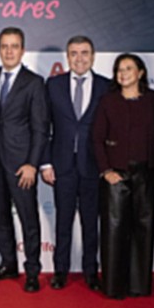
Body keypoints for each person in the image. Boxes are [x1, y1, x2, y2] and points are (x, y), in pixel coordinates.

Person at [0, 27, 48, 293]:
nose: (9, 51)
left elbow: (41, 128)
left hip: (22, 164)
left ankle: (32, 270)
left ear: (22, 50)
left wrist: (32, 163)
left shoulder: (34, 82)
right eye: (4, 46)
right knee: (0, 216)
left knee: (28, 219)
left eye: (14, 46)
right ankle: (8, 264)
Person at [41, 36, 109, 291]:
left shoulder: (106, 86)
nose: (79, 58)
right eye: (74, 53)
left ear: (93, 56)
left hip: (92, 166)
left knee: (91, 223)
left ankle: (91, 271)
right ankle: (61, 271)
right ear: (67, 57)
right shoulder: (54, 85)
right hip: (62, 165)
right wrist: (45, 162)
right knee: (63, 221)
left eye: (84, 53)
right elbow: (44, 126)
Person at [92, 53, 154, 300]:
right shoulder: (108, 101)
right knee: (114, 230)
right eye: (119, 69)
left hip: (147, 173)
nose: (123, 74)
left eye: (128, 68)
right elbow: (97, 138)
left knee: (144, 227)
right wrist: (106, 170)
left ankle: (139, 285)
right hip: (116, 174)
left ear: (140, 73)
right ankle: (113, 286)